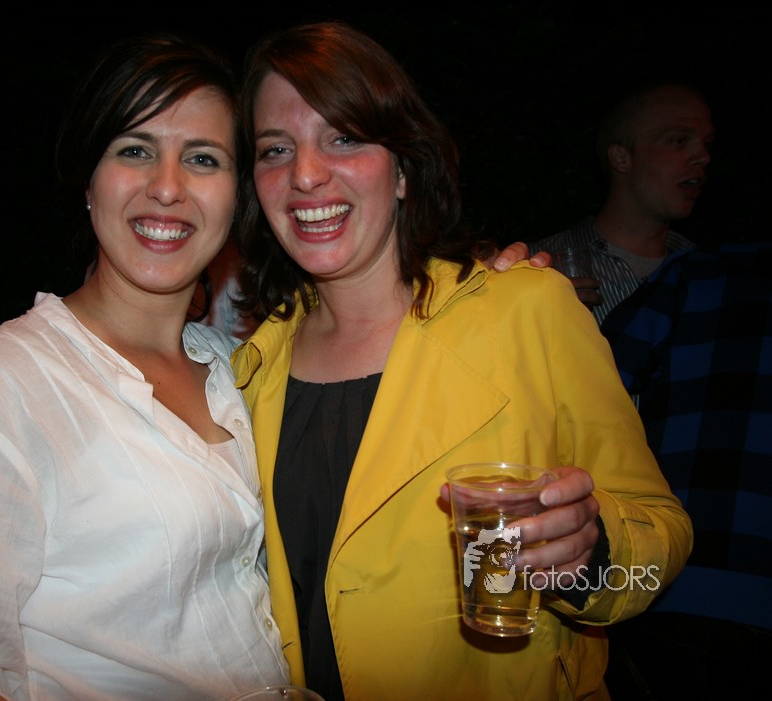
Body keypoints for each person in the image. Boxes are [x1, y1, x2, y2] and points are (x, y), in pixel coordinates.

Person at [0, 33, 292, 701]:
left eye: (202, 158)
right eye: (134, 150)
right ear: (88, 181)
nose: (167, 187)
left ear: (236, 195)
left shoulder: (240, 369)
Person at [230, 21, 693, 700]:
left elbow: (662, 552)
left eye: (344, 137)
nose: (304, 174)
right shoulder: (248, 372)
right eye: (276, 149)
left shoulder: (526, 312)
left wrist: (594, 559)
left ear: (402, 168)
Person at [599, 240, 772, 698]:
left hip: (687, 581)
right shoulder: (701, 270)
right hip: (687, 578)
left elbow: (597, 371)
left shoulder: (706, 270)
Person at [529, 80, 715, 326]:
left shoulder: (709, 271)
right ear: (621, 158)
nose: (703, 157)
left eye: (707, 144)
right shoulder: (539, 267)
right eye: (679, 140)